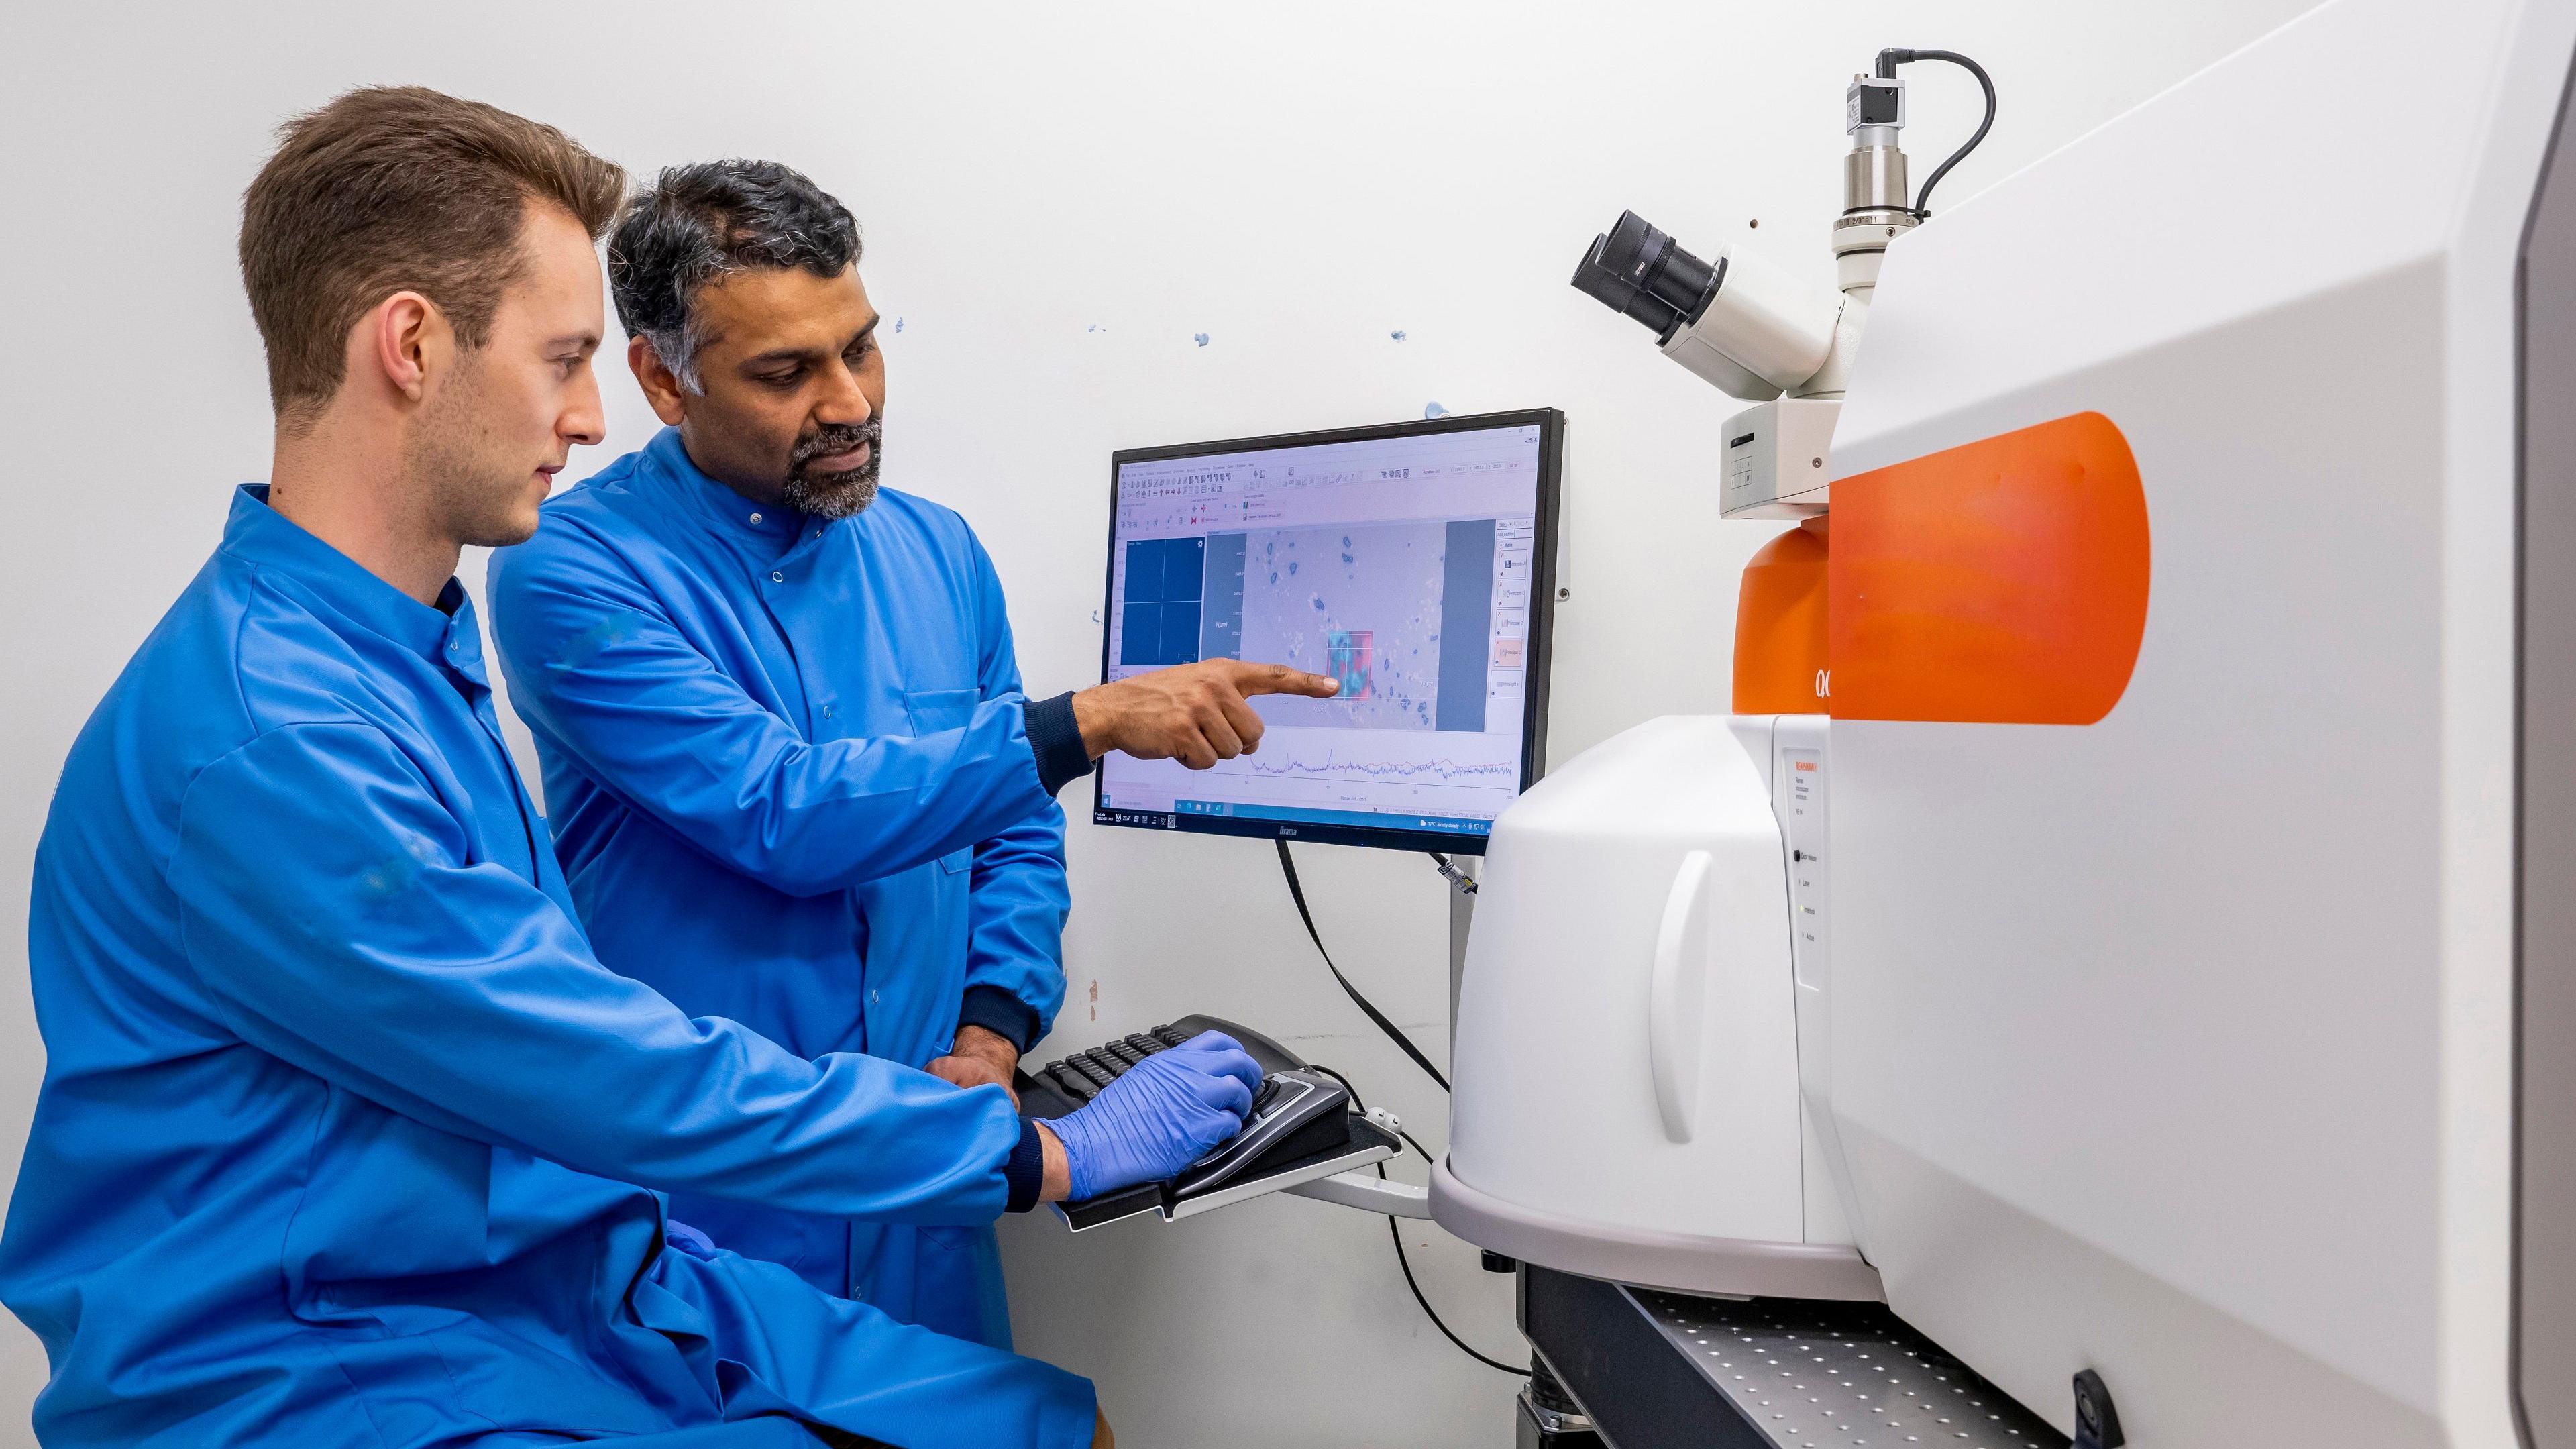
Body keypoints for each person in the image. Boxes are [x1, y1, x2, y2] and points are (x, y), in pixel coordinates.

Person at [0, 85, 1263, 1449]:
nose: (594, 416)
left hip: (575, 1270)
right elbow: (616, 1048)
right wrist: (1034, 1151)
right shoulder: (286, 733)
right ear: (412, 346)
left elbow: (988, 840)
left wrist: (990, 1046)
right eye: (564, 360)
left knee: (1050, 1423)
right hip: (351, 1365)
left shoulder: (404, 658)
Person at [486, 160, 1338, 1344]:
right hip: (716, 1217)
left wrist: (990, 1031)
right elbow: (784, 816)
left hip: (933, 1185)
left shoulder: (937, 553)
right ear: (660, 380)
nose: (848, 402)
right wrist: (1081, 722)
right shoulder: (573, 571)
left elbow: (1014, 832)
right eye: (785, 372)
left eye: (862, 349)